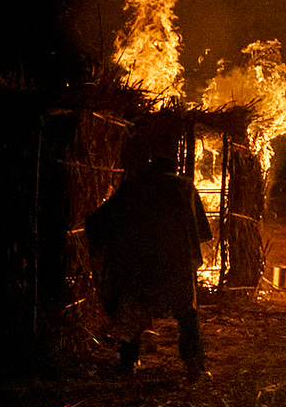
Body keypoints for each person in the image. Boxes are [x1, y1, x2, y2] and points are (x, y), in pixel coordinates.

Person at [83, 146, 211, 378]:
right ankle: (193, 364)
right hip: (175, 263)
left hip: (139, 262)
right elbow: (198, 230)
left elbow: (103, 220)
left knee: (133, 308)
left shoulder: (134, 186)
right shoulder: (184, 187)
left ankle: (128, 362)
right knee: (186, 311)